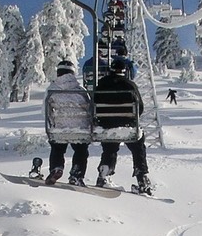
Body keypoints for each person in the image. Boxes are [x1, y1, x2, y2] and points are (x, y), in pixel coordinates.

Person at [92, 56, 153, 194]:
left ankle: (104, 173)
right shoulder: (130, 85)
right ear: (124, 71)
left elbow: (94, 106)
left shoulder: (101, 84)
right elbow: (140, 108)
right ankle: (141, 177)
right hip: (126, 126)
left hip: (107, 126)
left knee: (110, 148)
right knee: (138, 147)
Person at [43, 60, 91, 185]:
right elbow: (89, 108)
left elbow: (46, 110)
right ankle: (76, 174)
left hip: (60, 129)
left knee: (57, 147)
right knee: (81, 150)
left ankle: (56, 167)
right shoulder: (80, 90)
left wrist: (53, 123)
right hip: (80, 129)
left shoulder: (52, 90)